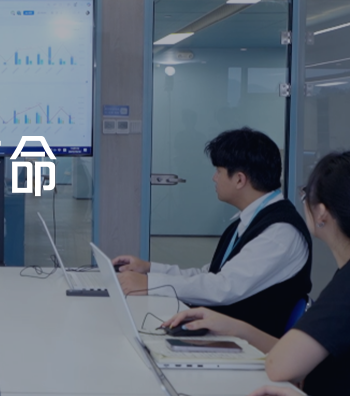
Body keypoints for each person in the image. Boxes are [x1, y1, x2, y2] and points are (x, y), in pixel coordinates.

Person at [163, 151, 350, 396]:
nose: (214, 178)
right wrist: (233, 327)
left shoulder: (344, 284)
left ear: (321, 213)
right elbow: (290, 354)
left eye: (305, 193)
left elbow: (281, 365)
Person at [114, 128, 312, 338]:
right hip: (223, 333)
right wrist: (149, 270)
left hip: (246, 347)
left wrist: (151, 285)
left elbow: (223, 288)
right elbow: (210, 275)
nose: (214, 178)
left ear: (239, 180)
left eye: (218, 171)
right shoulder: (247, 221)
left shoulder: (279, 233)